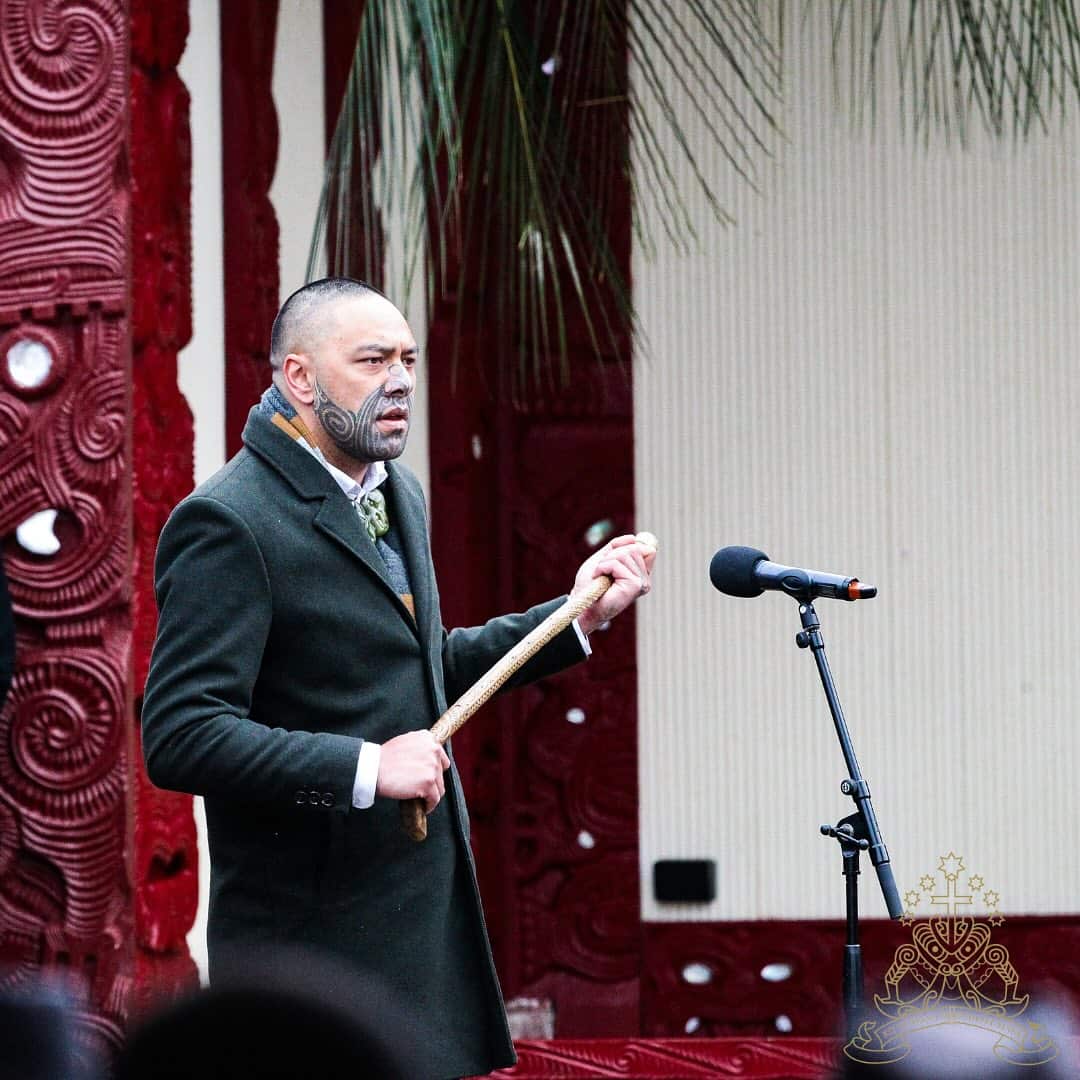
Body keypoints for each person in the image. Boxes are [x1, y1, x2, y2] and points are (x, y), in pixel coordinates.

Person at [141, 277, 655, 1080]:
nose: (402, 380)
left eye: (408, 359)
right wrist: (366, 766)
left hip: (420, 934)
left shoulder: (396, 493)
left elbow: (419, 670)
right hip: (309, 958)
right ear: (300, 379)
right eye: (373, 359)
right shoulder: (228, 519)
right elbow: (182, 735)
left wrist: (574, 618)